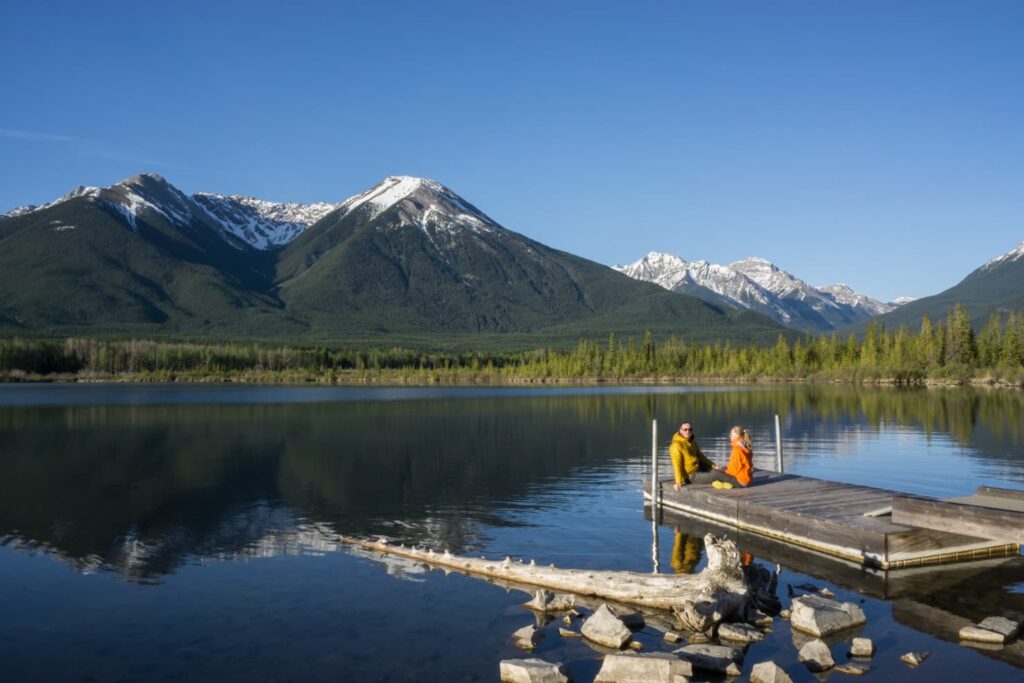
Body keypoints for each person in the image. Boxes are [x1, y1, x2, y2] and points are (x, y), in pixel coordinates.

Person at [669, 421, 729, 490]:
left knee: (723, 469)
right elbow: (677, 464)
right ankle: (739, 484)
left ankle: (724, 480)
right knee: (717, 474)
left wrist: (714, 465)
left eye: (690, 429)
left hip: (698, 469)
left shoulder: (693, 443)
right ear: (680, 430)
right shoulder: (675, 446)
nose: (687, 431)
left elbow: (702, 458)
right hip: (689, 476)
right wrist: (678, 482)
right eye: (685, 429)